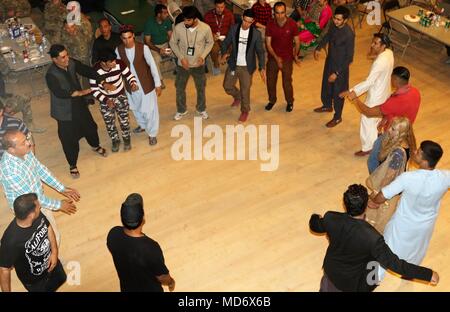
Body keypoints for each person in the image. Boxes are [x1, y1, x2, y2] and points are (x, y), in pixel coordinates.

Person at [310, 184, 439, 292]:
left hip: (330, 271)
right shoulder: (373, 238)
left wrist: (315, 217)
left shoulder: (331, 218)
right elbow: (396, 264)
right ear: (366, 205)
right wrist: (427, 274)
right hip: (351, 284)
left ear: (345, 204)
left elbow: (315, 226)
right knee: (374, 269)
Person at [371, 141, 450, 280]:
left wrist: (374, 201)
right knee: (416, 252)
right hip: (425, 226)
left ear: (425, 161)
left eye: (418, 152)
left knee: (385, 253)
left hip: (402, 224)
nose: (414, 152)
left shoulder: (408, 178)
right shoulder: (445, 177)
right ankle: (409, 275)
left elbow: (383, 195)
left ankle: (372, 279)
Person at [0, 130, 80, 245]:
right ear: (12, 150)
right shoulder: (9, 171)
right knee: (51, 235)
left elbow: (40, 169)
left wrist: (62, 188)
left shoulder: (25, 151)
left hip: (38, 198)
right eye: (23, 142)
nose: (29, 143)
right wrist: (59, 205)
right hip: (28, 208)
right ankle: (51, 255)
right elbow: (33, 199)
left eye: (26, 139)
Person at [46, 44, 111, 178]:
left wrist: (102, 81)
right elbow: (59, 92)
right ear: (54, 59)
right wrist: (80, 93)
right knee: (68, 138)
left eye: (67, 55)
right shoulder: (51, 74)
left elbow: (88, 70)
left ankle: (95, 145)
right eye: (63, 57)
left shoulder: (72, 63)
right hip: (64, 109)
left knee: (90, 126)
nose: (67, 59)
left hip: (79, 104)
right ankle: (72, 164)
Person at [351, 66, 421, 173]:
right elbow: (401, 111)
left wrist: (355, 98)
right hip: (405, 133)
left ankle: (376, 181)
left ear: (396, 80)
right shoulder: (415, 92)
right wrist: (385, 117)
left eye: (391, 78)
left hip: (392, 134)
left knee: (373, 161)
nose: (390, 80)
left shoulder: (395, 101)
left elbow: (368, 112)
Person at [107, 193, 176, 292]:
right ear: (143, 219)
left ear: (122, 219)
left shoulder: (113, 234)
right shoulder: (150, 248)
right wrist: (171, 282)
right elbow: (163, 277)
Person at [340, 33, 394, 157]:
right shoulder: (389, 53)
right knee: (377, 117)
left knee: (367, 118)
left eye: (375, 43)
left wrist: (352, 92)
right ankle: (376, 135)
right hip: (385, 91)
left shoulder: (379, 63)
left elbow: (369, 82)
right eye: (373, 42)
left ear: (383, 45)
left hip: (376, 94)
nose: (372, 45)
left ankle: (368, 147)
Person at [0, 194, 67, 292]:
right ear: (30, 215)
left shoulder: (38, 215)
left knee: (60, 280)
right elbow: (4, 270)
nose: (40, 206)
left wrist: (54, 252)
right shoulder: (10, 241)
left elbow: (48, 227)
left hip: (52, 263)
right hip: (35, 282)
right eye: (38, 206)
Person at [365, 117, 416, 233]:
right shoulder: (405, 143)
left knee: (379, 217)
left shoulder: (398, 153)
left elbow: (389, 177)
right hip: (395, 187)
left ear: (401, 133)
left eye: (393, 129)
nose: (389, 130)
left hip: (389, 190)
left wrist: (377, 194)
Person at [116, 25, 162, 146]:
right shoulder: (118, 50)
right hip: (129, 85)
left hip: (146, 84)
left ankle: (152, 134)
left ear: (133, 36)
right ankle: (142, 125)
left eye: (130, 37)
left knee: (150, 110)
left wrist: (157, 83)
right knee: (135, 107)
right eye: (124, 38)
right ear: (121, 38)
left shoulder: (143, 48)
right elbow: (118, 69)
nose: (127, 41)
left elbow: (152, 65)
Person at [220, 9, 265, 122]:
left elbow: (260, 51)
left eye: (249, 22)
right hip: (233, 64)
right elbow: (225, 43)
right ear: (242, 17)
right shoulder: (234, 29)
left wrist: (262, 67)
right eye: (245, 21)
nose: (246, 24)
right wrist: (224, 53)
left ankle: (245, 110)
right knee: (227, 86)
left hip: (247, 67)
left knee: (245, 90)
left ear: (253, 21)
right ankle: (238, 96)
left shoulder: (256, 34)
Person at [169, 6, 214, 121]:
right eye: (184, 19)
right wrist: (181, 57)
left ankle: (201, 109)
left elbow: (210, 43)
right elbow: (173, 43)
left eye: (188, 20)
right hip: (182, 64)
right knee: (179, 87)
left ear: (195, 19)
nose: (185, 22)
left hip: (198, 65)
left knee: (201, 88)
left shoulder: (205, 28)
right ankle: (181, 110)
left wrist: (203, 56)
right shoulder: (179, 27)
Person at [313, 5, 353, 128]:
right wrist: (319, 47)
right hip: (330, 62)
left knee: (338, 93)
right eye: (335, 18)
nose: (336, 21)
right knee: (326, 86)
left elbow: (349, 58)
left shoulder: (349, 34)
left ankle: (337, 117)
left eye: (339, 19)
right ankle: (327, 106)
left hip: (340, 69)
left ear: (345, 20)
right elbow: (327, 36)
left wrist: (336, 73)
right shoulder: (333, 26)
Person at [91, 49, 138, 152]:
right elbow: (94, 90)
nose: (114, 63)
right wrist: (106, 100)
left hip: (120, 96)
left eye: (114, 60)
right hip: (105, 100)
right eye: (111, 62)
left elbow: (129, 75)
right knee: (109, 122)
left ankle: (126, 139)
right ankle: (115, 140)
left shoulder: (119, 63)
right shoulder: (94, 71)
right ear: (103, 62)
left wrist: (133, 83)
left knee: (124, 119)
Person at [265, 2, 300, 113]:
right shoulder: (270, 24)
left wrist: (295, 55)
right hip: (273, 58)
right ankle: (272, 100)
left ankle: (290, 102)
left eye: (282, 13)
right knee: (270, 81)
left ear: (286, 12)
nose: (280, 16)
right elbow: (268, 44)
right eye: (277, 13)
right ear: (274, 13)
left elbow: (297, 41)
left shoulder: (292, 24)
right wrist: (276, 58)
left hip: (287, 58)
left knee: (287, 82)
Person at [144, 4, 173, 89]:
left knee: (177, 52)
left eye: (167, 13)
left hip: (165, 45)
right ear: (158, 14)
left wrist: (171, 48)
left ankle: (180, 70)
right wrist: (159, 50)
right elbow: (147, 42)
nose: (167, 15)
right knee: (156, 60)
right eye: (165, 13)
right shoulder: (149, 23)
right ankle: (159, 80)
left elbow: (170, 37)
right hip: (154, 46)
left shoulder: (167, 21)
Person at [204, 0, 235, 76]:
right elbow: (204, 29)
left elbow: (233, 28)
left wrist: (229, 37)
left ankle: (229, 62)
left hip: (226, 37)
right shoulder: (208, 15)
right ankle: (216, 65)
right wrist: (212, 34)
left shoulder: (229, 14)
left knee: (234, 46)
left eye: (222, 7)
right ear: (215, 6)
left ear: (224, 6)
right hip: (214, 38)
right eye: (218, 7)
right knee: (214, 50)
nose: (220, 9)